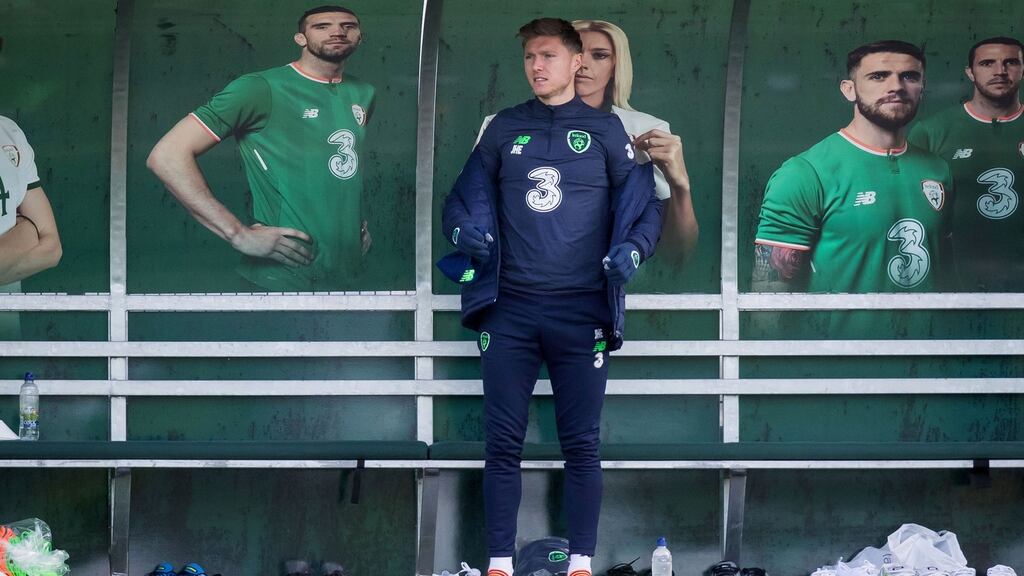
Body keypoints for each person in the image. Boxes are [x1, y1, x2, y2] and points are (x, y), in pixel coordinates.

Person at [440, 18, 661, 576]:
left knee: (581, 443)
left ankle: (582, 562)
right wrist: (463, 230)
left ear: (574, 63)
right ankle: (497, 563)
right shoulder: (502, 128)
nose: (537, 67)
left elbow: (646, 207)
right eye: (529, 58)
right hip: (510, 309)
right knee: (502, 443)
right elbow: (459, 201)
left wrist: (633, 250)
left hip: (581, 308)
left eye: (548, 56)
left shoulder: (610, 132)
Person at [147, 5, 373, 292]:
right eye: (322, 26)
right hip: (282, 276)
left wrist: (353, 224)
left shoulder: (363, 93)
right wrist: (238, 234)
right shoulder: (259, 88)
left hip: (348, 271)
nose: (338, 31)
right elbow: (166, 156)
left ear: (360, 37)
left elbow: (334, 167)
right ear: (300, 39)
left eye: (348, 26)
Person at [754, 40, 954, 303]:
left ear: (922, 88)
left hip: (930, 342)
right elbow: (768, 296)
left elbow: (946, 271)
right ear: (849, 90)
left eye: (909, 76)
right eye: (878, 76)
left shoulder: (938, 169)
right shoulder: (805, 173)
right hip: (842, 343)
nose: (896, 86)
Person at [572, 19, 698, 260]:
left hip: (623, 278)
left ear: (616, 65)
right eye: (576, 52)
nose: (583, 63)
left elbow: (679, 253)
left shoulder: (647, 130)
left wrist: (680, 186)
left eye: (599, 55)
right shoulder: (503, 126)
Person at [909, 36, 1024, 291]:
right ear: (970, 73)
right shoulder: (931, 131)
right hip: (957, 281)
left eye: (1011, 62)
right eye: (987, 63)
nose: (1000, 71)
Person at [0, 116, 62, 337]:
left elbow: (52, 249)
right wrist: (26, 231)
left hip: (5, 325)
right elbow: (37, 231)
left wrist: (30, 228)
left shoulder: (7, 131)